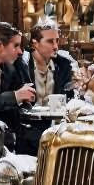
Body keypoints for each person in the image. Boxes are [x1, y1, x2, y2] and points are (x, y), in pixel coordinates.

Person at [15, 17, 76, 155]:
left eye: (57, 41)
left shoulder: (63, 65)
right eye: (50, 41)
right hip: (26, 131)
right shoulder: (21, 64)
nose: (56, 46)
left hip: (56, 130)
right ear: (35, 43)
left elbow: (69, 97)